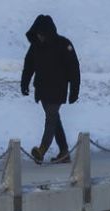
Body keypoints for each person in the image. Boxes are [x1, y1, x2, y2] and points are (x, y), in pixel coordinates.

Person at [21, 15, 80, 165]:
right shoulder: (35, 46)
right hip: (42, 89)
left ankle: (41, 150)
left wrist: (74, 91)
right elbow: (29, 65)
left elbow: (74, 69)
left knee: (51, 119)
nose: (40, 37)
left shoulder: (63, 44)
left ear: (48, 32)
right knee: (54, 119)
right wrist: (24, 83)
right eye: (37, 34)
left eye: (42, 34)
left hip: (57, 89)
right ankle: (64, 152)